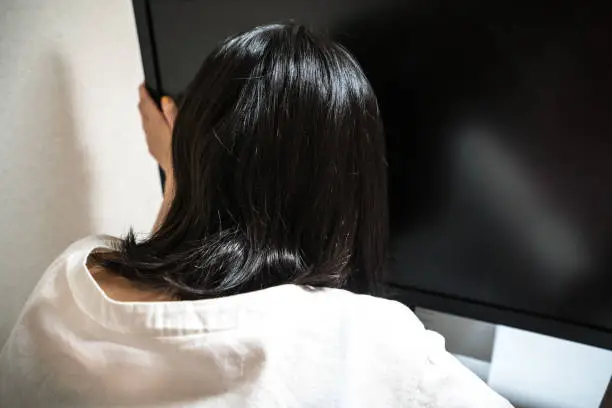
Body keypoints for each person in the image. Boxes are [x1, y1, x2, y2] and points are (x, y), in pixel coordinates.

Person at [0, 23, 512, 407]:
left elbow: (175, 308)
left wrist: (184, 170)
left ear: (196, 150)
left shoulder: (70, 279)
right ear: (351, 187)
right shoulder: (371, 343)